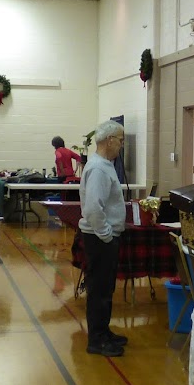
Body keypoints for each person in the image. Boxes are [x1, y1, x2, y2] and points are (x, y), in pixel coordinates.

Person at [79, 120, 128, 357]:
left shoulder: (104, 165)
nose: (122, 144)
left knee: (105, 289)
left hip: (103, 237)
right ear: (109, 140)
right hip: (100, 239)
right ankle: (96, 340)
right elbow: (92, 209)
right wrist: (106, 235)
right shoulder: (99, 169)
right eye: (120, 140)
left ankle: (103, 331)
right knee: (99, 290)